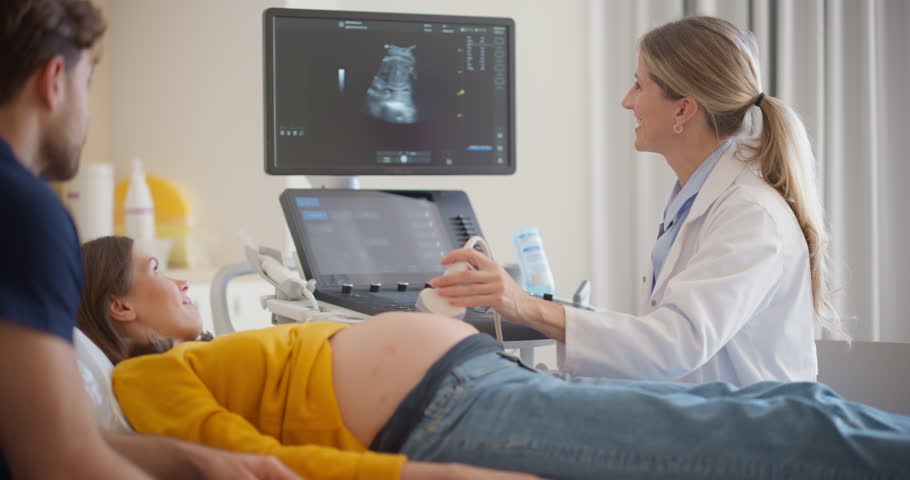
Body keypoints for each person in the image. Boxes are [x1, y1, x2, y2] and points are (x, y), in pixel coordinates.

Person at [78, 235, 910, 480]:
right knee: (778, 431)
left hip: (475, 384)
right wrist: (423, 479)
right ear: (118, 307)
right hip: (445, 416)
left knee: (779, 409)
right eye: (156, 271)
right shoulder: (139, 376)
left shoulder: (215, 348)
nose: (180, 277)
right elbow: (251, 464)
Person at [430, 16, 836, 386]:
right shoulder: (696, 198)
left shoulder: (750, 214)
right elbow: (663, 341)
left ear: (683, 108)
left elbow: (675, 344)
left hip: (742, 442)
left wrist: (525, 306)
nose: (627, 101)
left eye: (640, 85)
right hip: (698, 418)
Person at [0, 1, 304, 478]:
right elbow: (58, 458)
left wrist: (202, 463)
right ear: (54, 80)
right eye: (88, 85)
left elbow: (53, 432)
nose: (88, 112)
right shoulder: (22, 211)